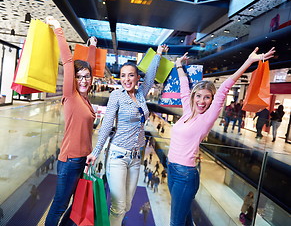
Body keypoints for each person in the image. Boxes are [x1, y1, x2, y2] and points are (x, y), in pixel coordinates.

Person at [167, 47, 275, 226]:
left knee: (175, 222)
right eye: (199, 96)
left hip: (185, 175)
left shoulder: (207, 118)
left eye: (207, 98)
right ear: (194, 97)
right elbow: (184, 86)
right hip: (172, 168)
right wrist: (179, 65)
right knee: (185, 219)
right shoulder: (188, 110)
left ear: (212, 100)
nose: (202, 101)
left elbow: (225, 87)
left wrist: (249, 61)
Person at [86, 44, 169, 226]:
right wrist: (96, 151)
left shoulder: (140, 94)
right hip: (118, 155)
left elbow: (151, 77)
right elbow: (107, 124)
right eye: (123, 75)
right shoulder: (117, 96)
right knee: (119, 205)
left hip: (135, 157)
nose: (126, 79)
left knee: (128, 205)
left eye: (131, 75)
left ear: (137, 77)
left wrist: (159, 54)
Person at [45, 16, 96, 226]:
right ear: (73, 79)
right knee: (59, 205)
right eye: (79, 77)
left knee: (74, 207)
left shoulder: (85, 98)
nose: (83, 80)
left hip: (82, 159)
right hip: (70, 161)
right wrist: (58, 28)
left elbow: (88, 68)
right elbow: (68, 62)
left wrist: (92, 47)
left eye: (87, 77)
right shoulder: (71, 95)